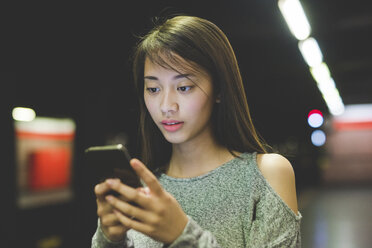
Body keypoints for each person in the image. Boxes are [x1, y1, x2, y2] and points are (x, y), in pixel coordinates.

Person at [92, 15, 302, 248]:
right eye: (153, 88)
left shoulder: (266, 175)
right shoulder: (142, 190)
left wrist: (182, 235)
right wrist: (110, 239)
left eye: (183, 87)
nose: (166, 106)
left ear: (220, 89)